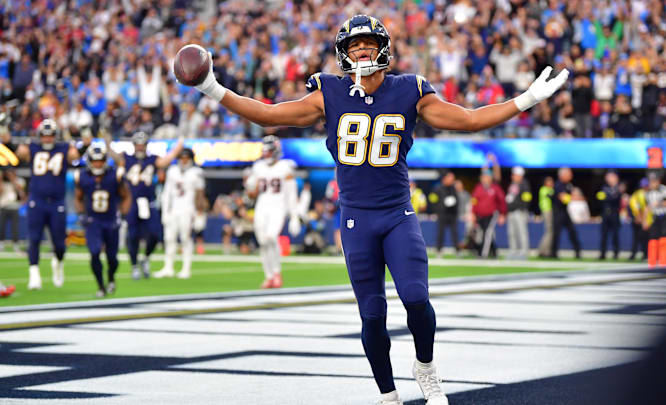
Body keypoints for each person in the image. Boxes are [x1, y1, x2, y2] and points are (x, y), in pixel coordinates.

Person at [185, 14, 568, 404]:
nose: (362, 50)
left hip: (397, 213)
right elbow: (268, 115)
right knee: (371, 314)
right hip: (356, 218)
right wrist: (211, 87)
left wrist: (527, 99)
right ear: (343, 54)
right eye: (354, 45)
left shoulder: (408, 89)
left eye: (369, 43)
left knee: (416, 297)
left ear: (384, 48)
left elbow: (468, 120)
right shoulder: (329, 92)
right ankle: (388, 394)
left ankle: (425, 367)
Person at [14, 119, 80, 289]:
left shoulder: (63, 147)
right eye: (44, 135)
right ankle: (34, 274)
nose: (47, 138)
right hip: (37, 200)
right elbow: (20, 154)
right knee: (34, 238)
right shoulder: (33, 146)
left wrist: (72, 145)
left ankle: (58, 262)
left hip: (57, 202)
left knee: (59, 243)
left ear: (55, 135)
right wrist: (23, 145)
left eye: (50, 135)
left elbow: (75, 157)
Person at [113, 131, 184, 280]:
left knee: (155, 234)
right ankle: (134, 265)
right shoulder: (127, 158)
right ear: (134, 145)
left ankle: (145, 258)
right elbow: (113, 155)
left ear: (146, 145)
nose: (140, 147)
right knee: (132, 235)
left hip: (148, 201)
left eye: (142, 144)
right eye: (138, 144)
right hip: (132, 201)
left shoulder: (152, 159)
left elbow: (167, 160)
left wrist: (179, 145)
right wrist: (107, 140)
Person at [74, 144, 131, 297]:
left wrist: (122, 215)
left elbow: (126, 196)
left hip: (111, 220)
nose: (97, 164)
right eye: (94, 160)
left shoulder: (114, 175)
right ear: (89, 161)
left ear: (105, 161)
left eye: (100, 160)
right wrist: (81, 214)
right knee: (94, 252)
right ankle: (100, 286)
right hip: (93, 221)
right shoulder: (82, 176)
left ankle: (111, 277)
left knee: (112, 257)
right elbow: (78, 198)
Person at [245, 136, 301, 288]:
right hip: (261, 206)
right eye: (264, 151)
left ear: (276, 151)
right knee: (263, 242)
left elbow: (291, 193)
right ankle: (269, 276)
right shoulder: (258, 167)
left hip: (278, 206)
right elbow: (252, 193)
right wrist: (249, 188)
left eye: (269, 151)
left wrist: (294, 216)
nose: (266, 154)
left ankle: (277, 273)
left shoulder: (285, 167)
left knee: (271, 237)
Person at [153, 148, 206, 279]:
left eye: (186, 158)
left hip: (188, 210)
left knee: (185, 238)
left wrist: (200, 214)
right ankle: (168, 267)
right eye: (182, 158)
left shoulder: (196, 172)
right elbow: (167, 193)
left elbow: (200, 194)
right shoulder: (172, 171)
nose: (184, 161)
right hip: (173, 210)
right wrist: (165, 211)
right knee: (169, 238)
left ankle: (186, 268)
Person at [471, 168, 507, 258]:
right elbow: (474, 200)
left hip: (491, 214)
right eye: (483, 177)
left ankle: (483, 254)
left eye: (487, 177)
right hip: (480, 215)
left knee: (487, 233)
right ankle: (494, 252)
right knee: (483, 233)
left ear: (491, 178)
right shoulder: (478, 188)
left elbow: (502, 201)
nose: (485, 179)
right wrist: (473, 213)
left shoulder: (495, 188)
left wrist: (502, 214)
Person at [644, 172, 666, 268]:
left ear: (658, 181)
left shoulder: (664, 190)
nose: (652, 183)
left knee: (664, 239)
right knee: (652, 239)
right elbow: (647, 207)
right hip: (655, 217)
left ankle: (663, 262)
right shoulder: (648, 193)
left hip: (664, 216)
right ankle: (652, 262)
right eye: (651, 181)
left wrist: (660, 203)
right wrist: (645, 220)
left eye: (654, 181)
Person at [552, 167, 582, 259]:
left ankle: (578, 251)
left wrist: (571, 197)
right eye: (569, 174)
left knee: (572, 232)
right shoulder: (558, 185)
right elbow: (563, 198)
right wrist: (573, 197)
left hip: (565, 211)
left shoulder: (568, 185)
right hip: (557, 212)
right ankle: (553, 253)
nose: (571, 176)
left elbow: (568, 197)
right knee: (556, 233)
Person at [430, 171, 459, 255]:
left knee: (454, 232)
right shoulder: (438, 188)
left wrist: (454, 203)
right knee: (440, 232)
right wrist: (438, 209)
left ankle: (457, 250)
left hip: (452, 214)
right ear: (445, 179)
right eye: (450, 178)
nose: (452, 180)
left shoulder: (453, 189)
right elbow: (432, 199)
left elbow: (457, 200)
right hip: (442, 214)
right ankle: (439, 250)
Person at [505, 166, 532, 260]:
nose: (513, 176)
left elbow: (527, 198)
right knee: (512, 232)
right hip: (511, 211)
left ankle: (524, 251)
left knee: (521, 232)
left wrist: (522, 208)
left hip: (519, 211)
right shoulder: (513, 184)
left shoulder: (524, 185)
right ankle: (513, 251)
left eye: (515, 175)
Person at [597, 171, 622, 260]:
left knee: (615, 235)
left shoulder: (618, 188)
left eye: (611, 177)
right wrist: (608, 197)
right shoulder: (604, 187)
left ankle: (616, 253)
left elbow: (615, 198)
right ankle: (602, 253)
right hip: (605, 214)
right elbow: (599, 198)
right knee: (604, 235)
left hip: (614, 214)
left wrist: (607, 197)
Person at [0, 169, 25, 252]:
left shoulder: (20, 181)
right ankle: (1, 244)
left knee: (15, 227)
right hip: (4, 206)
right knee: (1, 226)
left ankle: (15, 245)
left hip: (15, 207)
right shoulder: (3, 182)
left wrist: (13, 180)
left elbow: (21, 193)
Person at [629, 178, 650, 261]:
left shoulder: (645, 193)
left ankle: (643, 254)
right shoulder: (639, 194)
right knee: (640, 238)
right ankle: (642, 254)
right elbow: (637, 207)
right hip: (641, 219)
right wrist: (639, 218)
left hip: (645, 219)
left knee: (642, 238)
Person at [537, 176, 555, 257]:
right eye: (549, 182)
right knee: (549, 231)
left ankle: (545, 250)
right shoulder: (544, 189)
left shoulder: (549, 189)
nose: (551, 183)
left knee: (549, 232)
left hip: (549, 211)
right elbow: (552, 196)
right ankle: (543, 250)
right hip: (547, 211)